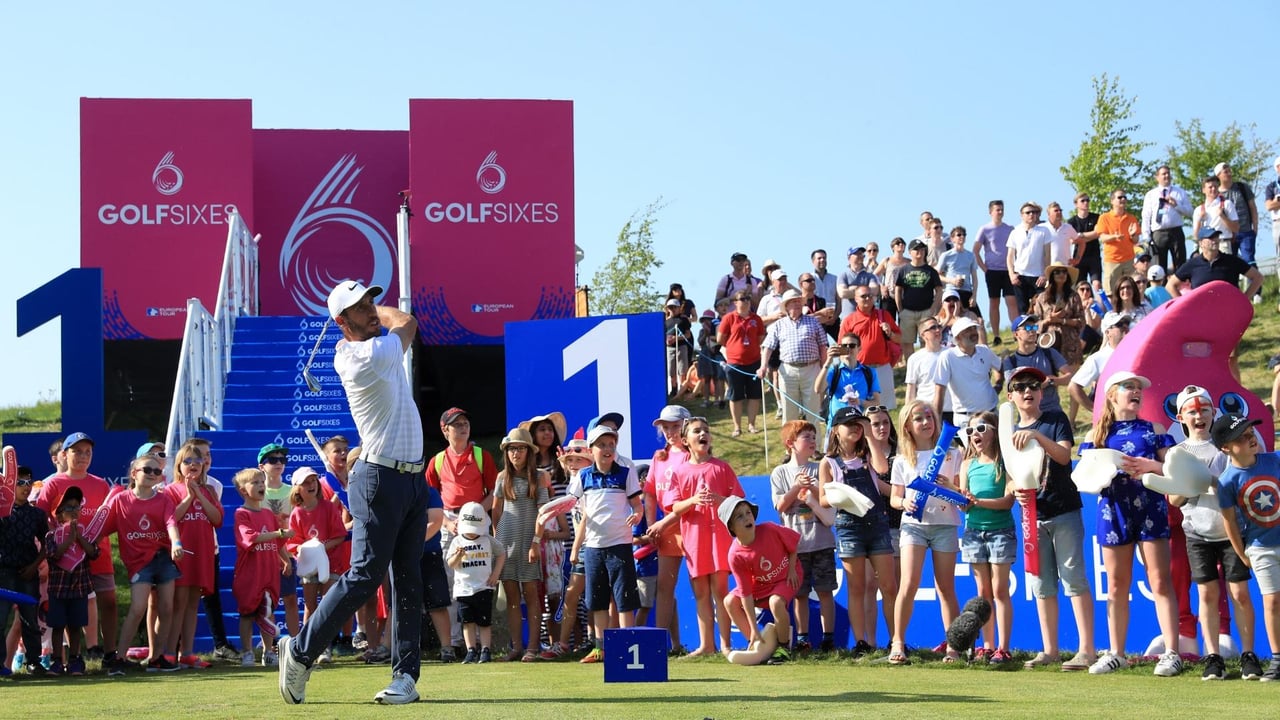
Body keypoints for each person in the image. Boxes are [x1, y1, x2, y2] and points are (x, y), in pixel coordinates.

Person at [279, 280, 429, 706]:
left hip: (412, 480)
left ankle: (405, 678)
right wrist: (381, 312)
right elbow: (409, 322)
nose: (371, 309)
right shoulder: (361, 356)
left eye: (371, 301)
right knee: (365, 574)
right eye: (361, 306)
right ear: (341, 322)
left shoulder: (375, 349)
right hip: (380, 480)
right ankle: (301, 650)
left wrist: (368, 310)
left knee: (408, 580)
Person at [1079, 371, 1182, 677]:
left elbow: (1174, 472)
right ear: (1112, 394)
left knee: (1160, 581)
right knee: (1115, 585)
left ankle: (1172, 653)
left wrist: (1154, 466)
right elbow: (1084, 479)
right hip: (1113, 511)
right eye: (1129, 387)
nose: (1136, 392)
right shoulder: (1095, 434)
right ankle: (1116, 653)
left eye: (1139, 388)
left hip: (1150, 507)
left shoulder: (1155, 429)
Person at [1003, 366, 1095, 671]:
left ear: (1042, 392)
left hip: (1064, 509)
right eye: (1019, 387)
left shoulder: (1055, 420)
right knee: (1042, 584)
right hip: (1033, 515)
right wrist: (1015, 488)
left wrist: (1036, 437)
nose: (1027, 391)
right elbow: (1010, 479)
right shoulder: (1008, 431)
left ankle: (1086, 650)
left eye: (1033, 385)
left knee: (1073, 578)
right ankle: (1050, 650)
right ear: (1011, 395)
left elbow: (1064, 456)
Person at [1167, 388, 1259, 680]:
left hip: (1232, 531)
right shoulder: (1177, 453)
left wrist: (1216, 483)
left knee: (1240, 593)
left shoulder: (1227, 446)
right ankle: (1213, 657)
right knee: (1206, 594)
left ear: (1213, 413)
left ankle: (1248, 655)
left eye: (1204, 409)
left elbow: (1243, 483)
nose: (1199, 416)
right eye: (1192, 411)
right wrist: (1194, 484)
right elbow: (1174, 500)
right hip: (1197, 533)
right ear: (1181, 416)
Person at [33, 432, 123, 673]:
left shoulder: (100, 484)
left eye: (88, 452)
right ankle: (60, 659)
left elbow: (107, 520)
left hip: (97, 554)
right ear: (65, 454)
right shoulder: (54, 483)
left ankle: (110, 656)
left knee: (109, 603)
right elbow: (41, 520)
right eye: (77, 451)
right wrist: (46, 553)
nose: (83, 456)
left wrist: (96, 540)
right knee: (62, 613)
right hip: (64, 560)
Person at [887, 401, 963, 664]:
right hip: (913, 526)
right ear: (908, 426)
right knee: (907, 584)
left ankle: (953, 646)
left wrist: (950, 487)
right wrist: (903, 503)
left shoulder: (953, 454)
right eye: (918, 418)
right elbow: (895, 498)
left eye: (929, 416)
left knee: (946, 588)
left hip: (945, 525)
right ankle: (898, 643)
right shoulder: (901, 460)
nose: (926, 422)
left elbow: (963, 497)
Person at [817, 408, 896, 656]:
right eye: (848, 423)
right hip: (850, 528)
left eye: (858, 424)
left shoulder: (867, 456)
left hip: (877, 526)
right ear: (835, 430)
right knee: (857, 587)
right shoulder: (828, 462)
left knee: (889, 586)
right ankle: (861, 642)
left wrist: (871, 435)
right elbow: (823, 499)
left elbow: (883, 469)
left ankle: (896, 641)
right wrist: (840, 495)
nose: (854, 427)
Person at [668, 417, 744, 658]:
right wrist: (693, 500)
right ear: (685, 441)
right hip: (694, 540)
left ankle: (725, 645)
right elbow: (674, 507)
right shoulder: (679, 471)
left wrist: (719, 500)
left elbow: (739, 502)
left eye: (706, 430)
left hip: (719, 539)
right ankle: (706, 645)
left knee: (720, 591)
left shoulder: (722, 468)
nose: (703, 434)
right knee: (701, 593)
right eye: (696, 431)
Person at [568, 425, 643, 664]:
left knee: (624, 599)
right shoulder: (583, 476)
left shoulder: (625, 472)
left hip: (620, 544)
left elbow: (637, 504)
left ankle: (627, 648)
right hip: (593, 547)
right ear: (592, 449)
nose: (608, 449)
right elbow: (576, 508)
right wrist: (575, 547)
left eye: (611, 444)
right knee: (598, 600)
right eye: (602, 445)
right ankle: (600, 649)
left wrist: (638, 514)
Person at [426, 406, 498, 652]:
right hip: (449, 522)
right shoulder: (436, 461)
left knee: (480, 579)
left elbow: (494, 493)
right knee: (451, 582)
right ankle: (458, 641)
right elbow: (429, 498)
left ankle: (480, 641)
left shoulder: (481, 455)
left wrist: (475, 516)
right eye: (457, 424)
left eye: (465, 422)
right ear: (445, 430)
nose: (463, 426)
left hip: (477, 522)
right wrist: (446, 522)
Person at [103, 456, 183, 673]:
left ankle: (156, 658)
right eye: (147, 469)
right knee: (138, 608)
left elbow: (171, 523)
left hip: (164, 558)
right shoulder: (120, 501)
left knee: (167, 608)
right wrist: (84, 544)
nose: (152, 474)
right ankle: (118, 659)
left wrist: (176, 542)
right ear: (134, 473)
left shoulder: (164, 499)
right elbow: (102, 528)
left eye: (157, 472)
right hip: (139, 563)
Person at [1215, 413, 1280, 680]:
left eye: (1251, 432)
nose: (1250, 438)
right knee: (1273, 601)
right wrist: (1242, 553)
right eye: (1241, 437)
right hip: (1260, 547)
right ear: (1225, 448)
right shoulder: (1226, 481)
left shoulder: (1274, 460)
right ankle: (1277, 660)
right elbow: (1229, 520)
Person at [770, 420, 837, 654]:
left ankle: (829, 639)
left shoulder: (820, 467)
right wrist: (796, 488)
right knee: (799, 595)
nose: (812, 441)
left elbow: (830, 499)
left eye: (813, 436)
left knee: (825, 590)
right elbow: (779, 505)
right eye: (806, 437)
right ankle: (802, 638)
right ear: (791, 444)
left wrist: (815, 489)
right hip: (795, 547)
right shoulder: (780, 472)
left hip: (822, 542)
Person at [957, 411, 1015, 664]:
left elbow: (1008, 502)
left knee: (1000, 590)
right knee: (983, 593)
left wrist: (978, 501)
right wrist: (963, 501)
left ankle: (1003, 647)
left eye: (980, 429)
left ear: (994, 431)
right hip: (973, 532)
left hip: (1000, 531)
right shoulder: (968, 464)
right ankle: (988, 646)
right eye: (970, 431)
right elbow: (964, 504)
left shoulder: (1006, 464)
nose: (975, 435)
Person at [719, 495, 801, 665]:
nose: (747, 517)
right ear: (731, 528)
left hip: (787, 576)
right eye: (739, 516)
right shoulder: (735, 555)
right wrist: (754, 630)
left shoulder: (770, 529)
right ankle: (759, 643)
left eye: (748, 513)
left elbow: (793, 546)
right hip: (761, 586)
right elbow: (745, 593)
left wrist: (792, 569)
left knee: (776, 602)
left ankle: (784, 648)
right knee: (729, 601)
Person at [491, 428, 548, 662]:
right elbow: (496, 510)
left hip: (529, 542)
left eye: (521, 448)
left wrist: (536, 542)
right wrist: (497, 541)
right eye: (512, 448)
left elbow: (543, 513)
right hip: (507, 543)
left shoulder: (540, 476)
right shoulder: (502, 477)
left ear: (529, 451)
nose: (516, 453)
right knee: (512, 597)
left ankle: (532, 648)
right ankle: (516, 648)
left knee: (532, 595)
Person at [164, 442, 222, 670]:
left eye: (197, 461)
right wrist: (189, 496)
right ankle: (169, 652)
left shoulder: (208, 490)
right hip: (181, 555)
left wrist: (199, 493)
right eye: (187, 461)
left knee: (192, 605)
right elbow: (171, 519)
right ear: (179, 466)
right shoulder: (171, 490)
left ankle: (187, 652)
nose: (193, 465)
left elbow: (217, 519)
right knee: (178, 603)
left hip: (202, 554)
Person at [639, 405, 690, 656]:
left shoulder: (694, 455)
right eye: (665, 427)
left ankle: (712, 646)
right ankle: (665, 646)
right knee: (664, 588)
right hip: (667, 528)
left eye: (675, 426)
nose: (670, 432)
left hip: (693, 525)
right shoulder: (659, 456)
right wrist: (652, 525)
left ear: (686, 425)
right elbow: (649, 494)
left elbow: (692, 501)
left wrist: (660, 524)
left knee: (703, 586)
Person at [232, 468, 292, 667]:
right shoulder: (241, 514)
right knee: (247, 614)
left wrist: (286, 560)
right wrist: (279, 533)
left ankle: (269, 651)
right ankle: (248, 652)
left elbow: (278, 544)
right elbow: (252, 538)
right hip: (250, 575)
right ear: (243, 490)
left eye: (261, 482)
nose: (260, 486)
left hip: (269, 572)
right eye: (255, 483)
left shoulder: (267, 513)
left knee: (268, 610)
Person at [285, 467, 346, 648]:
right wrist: (308, 550)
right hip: (309, 566)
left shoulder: (327, 507)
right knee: (310, 606)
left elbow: (340, 535)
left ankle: (325, 646)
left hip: (331, 564)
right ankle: (308, 646)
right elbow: (293, 543)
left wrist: (320, 548)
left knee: (327, 606)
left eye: (313, 480)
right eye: (306, 482)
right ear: (297, 488)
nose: (311, 485)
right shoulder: (297, 512)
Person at [0, 463, 48, 676]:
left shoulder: (37, 514)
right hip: (4, 573)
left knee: (30, 620)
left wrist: (34, 566)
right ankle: (1, 664)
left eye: (29, 482)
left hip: (29, 572)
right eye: (20, 482)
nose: (26, 487)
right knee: (0, 619)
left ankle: (33, 662)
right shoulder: (2, 513)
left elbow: (47, 544)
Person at [45, 486, 97, 676]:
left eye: (77, 507)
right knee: (58, 626)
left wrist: (79, 537)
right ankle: (57, 661)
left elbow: (93, 553)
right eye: (68, 508)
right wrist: (69, 539)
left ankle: (75, 660)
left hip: (79, 587)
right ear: (58, 515)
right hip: (58, 589)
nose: (74, 511)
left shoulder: (87, 533)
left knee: (76, 625)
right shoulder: (52, 536)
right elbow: (54, 555)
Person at [446, 501, 506, 665]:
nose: (473, 534)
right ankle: (471, 650)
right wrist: (458, 556)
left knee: (484, 622)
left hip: (483, 587)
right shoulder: (457, 541)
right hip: (464, 589)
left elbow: (501, 554)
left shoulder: (487, 540)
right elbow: (451, 563)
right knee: (467, 622)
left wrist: (496, 573)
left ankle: (486, 650)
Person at [758, 289, 828, 423]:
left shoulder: (813, 322)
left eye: (798, 301)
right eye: (793, 302)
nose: (796, 304)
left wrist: (823, 369)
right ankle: (790, 443)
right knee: (789, 412)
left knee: (813, 411)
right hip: (787, 370)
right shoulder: (779, 324)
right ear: (786, 306)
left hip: (812, 368)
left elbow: (823, 346)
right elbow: (768, 347)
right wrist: (763, 367)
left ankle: (814, 442)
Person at [258, 442, 299, 638]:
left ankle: (295, 641)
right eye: (273, 460)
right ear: (261, 466)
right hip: (265, 553)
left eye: (282, 459)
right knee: (268, 602)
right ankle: (271, 641)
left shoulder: (292, 491)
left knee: (290, 598)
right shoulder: (256, 492)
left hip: (288, 552)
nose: (278, 463)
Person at [838, 286, 901, 410]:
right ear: (856, 299)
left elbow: (899, 339)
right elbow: (842, 347)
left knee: (884, 409)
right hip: (860, 370)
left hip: (882, 367)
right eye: (863, 296)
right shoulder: (849, 320)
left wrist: (890, 333)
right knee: (860, 407)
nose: (867, 298)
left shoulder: (884, 315)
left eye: (870, 296)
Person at [997, 314, 1072, 417]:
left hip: (1053, 412)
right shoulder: (1010, 362)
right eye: (1027, 328)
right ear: (1016, 334)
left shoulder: (1049, 353)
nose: (1032, 331)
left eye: (1034, 327)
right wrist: (1036, 385)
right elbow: (1013, 389)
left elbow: (1071, 376)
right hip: (1027, 417)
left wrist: (1051, 381)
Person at [1067, 312, 1131, 427]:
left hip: (1134, 415)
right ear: (1107, 332)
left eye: (1126, 323)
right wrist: (1096, 409)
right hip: (1110, 422)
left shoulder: (1135, 352)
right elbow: (1073, 386)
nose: (1125, 327)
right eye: (1119, 324)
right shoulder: (1098, 358)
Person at [932, 317, 999, 428]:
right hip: (966, 420)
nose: (973, 332)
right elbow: (939, 392)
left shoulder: (985, 351)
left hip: (991, 414)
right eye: (968, 330)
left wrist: (999, 384)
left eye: (974, 328)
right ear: (957, 338)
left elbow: (1000, 367)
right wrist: (936, 422)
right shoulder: (947, 357)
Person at [717, 289, 766, 436]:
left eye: (747, 299)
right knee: (736, 395)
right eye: (742, 299)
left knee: (754, 395)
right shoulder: (729, 318)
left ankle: (751, 424)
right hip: (735, 363)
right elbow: (721, 339)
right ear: (735, 302)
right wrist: (734, 347)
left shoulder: (756, 319)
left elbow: (761, 337)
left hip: (754, 361)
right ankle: (737, 426)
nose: (745, 301)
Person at [1170, 228, 1263, 300]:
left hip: (1228, 312)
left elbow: (1258, 277)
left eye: (1216, 236)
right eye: (1210, 237)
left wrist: (1244, 299)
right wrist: (1184, 304)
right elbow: (1170, 285)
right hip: (1202, 314)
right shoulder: (1192, 264)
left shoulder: (1232, 261)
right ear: (1201, 243)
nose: (1214, 240)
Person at [973, 200, 1017, 345]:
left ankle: (1016, 331)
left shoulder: (1010, 229)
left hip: (1008, 270)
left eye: (1001, 209)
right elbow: (976, 250)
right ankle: (997, 335)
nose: (1000, 212)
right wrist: (985, 269)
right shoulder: (984, 229)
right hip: (992, 271)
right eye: (997, 209)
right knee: (994, 302)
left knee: (1011, 301)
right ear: (990, 212)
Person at [895, 239, 944, 363]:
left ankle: (928, 365)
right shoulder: (903, 270)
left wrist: (934, 309)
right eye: (916, 249)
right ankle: (911, 368)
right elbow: (898, 290)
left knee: (928, 339)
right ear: (910, 252)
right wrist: (900, 310)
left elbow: (939, 290)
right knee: (907, 342)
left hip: (926, 312)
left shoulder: (931, 271)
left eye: (922, 249)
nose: (920, 252)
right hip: (908, 312)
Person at [814, 333, 879, 426]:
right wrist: (828, 362)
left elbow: (876, 403)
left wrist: (860, 401)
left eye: (852, 346)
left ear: (859, 348)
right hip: (837, 424)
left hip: (860, 424)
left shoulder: (869, 372)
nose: (848, 349)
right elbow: (818, 389)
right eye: (844, 346)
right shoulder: (833, 370)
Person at [1032, 263, 1087, 366]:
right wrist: (1048, 320)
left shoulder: (1074, 296)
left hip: (1070, 345)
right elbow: (1035, 325)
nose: (1061, 274)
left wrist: (1062, 321)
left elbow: (1082, 321)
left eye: (1064, 272)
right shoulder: (1041, 298)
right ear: (1052, 276)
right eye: (1057, 272)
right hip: (1048, 342)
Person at [1141, 166, 1194, 272]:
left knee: (1180, 264)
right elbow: (1146, 216)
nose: (1167, 176)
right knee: (1159, 266)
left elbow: (1190, 212)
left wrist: (1176, 205)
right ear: (1157, 177)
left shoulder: (1179, 192)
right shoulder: (1151, 195)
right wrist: (1146, 236)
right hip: (1158, 233)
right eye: (1163, 174)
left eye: (1168, 173)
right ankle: (1161, 287)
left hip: (1176, 231)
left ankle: (1181, 287)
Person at [1006, 201, 1053, 315]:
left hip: (1037, 276)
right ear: (1022, 215)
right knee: (1022, 308)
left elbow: (1048, 255)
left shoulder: (1044, 231)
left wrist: (1045, 274)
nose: (1031, 214)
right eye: (1028, 212)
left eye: (1034, 212)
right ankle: (1025, 332)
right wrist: (1011, 274)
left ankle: (1040, 331)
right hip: (1020, 275)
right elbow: (1010, 256)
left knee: (1040, 307)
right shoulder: (1015, 232)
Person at [904, 316, 951, 422]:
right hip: (926, 414)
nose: (938, 330)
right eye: (933, 328)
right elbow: (911, 390)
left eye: (938, 326)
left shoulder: (951, 353)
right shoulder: (915, 359)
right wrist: (908, 415)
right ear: (923, 335)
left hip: (951, 411)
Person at [1215, 162, 1261, 270]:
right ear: (1219, 176)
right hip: (1229, 236)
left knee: (1249, 260)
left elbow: (1252, 207)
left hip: (1246, 231)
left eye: (1229, 170)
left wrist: (1255, 227)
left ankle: (1255, 285)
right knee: (1231, 264)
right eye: (1225, 172)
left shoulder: (1242, 187)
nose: (1229, 173)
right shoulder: (1217, 195)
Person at [1095, 189, 1141, 296]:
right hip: (1112, 260)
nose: (1123, 199)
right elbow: (1102, 238)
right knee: (1111, 292)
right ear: (1112, 201)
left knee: (1131, 291)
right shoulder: (1104, 217)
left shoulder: (1131, 218)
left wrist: (1133, 235)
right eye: (1120, 197)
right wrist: (1114, 237)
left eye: (1125, 197)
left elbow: (1136, 240)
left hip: (1129, 260)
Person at [1191, 176, 1240, 255]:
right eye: (1210, 187)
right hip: (1205, 246)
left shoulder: (1227, 204)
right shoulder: (1199, 210)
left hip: (1223, 244)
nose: (1213, 189)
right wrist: (1200, 219)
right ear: (1203, 190)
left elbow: (1236, 228)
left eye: (1215, 186)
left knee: (1224, 267)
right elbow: (1196, 236)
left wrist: (1223, 216)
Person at [936, 226, 979, 312]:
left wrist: (974, 295)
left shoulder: (971, 255)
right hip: (951, 291)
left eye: (964, 235)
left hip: (967, 290)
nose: (962, 236)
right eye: (959, 235)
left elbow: (974, 277)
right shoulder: (946, 255)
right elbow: (937, 274)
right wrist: (952, 281)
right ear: (952, 239)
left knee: (978, 320)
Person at [1068, 192, 1103, 287]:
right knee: (1079, 286)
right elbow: (1072, 240)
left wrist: (1079, 236)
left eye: (1087, 200)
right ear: (1076, 204)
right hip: (1078, 258)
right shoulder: (1071, 222)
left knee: (1097, 284)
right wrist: (1088, 236)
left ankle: (1098, 302)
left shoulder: (1097, 218)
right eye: (1082, 201)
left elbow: (1097, 233)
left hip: (1094, 256)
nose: (1086, 203)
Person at [836, 246, 880, 318]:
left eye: (862, 254)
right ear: (849, 258)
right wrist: (865, 292)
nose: (861, 256)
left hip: (867, 318)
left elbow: (874, 291)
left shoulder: (870, 276)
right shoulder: (843, 275)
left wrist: (852, 289)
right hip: (848, 318)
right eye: (857, 254)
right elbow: (842, 293)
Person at [874, 237, 910, 320]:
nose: (900, 245)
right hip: (889, 295)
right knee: (888, 321)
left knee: (905, 323)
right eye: (898, 243)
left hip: (904, 296)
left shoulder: (909, 262)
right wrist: (881, 286)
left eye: (902, 243)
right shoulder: (887, 260)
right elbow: (874, 275)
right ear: (893, 247)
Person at [797, 271, 839, 342]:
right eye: (809, 280)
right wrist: (819, 313)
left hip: (821, 340)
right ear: (801, 284)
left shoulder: (821, 301)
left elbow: (824, 319)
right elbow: (798, 321)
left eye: (813, 280)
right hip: (804, 340)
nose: (812, 282)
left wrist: (806, 317)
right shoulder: (797, 302)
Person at [664, 298, 694, 396]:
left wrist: (676, 338)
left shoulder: (683, 320)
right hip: (670, 348)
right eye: (670, 307)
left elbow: (688, 335)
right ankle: (673, 388)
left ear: (679, 308)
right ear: (667, 309)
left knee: (682, 369)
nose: (672, 309)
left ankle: (682, 388)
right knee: (671, 370)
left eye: (675, 307)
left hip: (681, 347)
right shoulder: (665, 322)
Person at [1042, 201, 1082, 268]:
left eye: (1060, 210)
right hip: (1048, 269)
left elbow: (1081, 242)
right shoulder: (1042, 228)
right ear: (1049, 214)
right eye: (1056, 211)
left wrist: (1077, 259)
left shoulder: (1068, 227)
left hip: (1065, 268)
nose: (1059, 212)